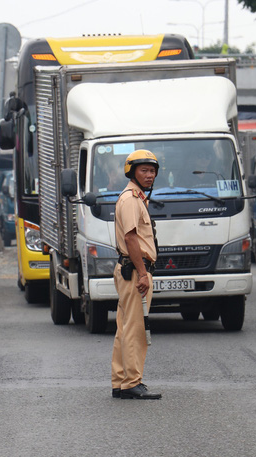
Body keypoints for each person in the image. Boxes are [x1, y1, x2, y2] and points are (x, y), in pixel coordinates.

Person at [111, 149, 161, 400]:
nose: (149, 175)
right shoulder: (131, 199)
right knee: (135, 328)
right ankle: (132, 382)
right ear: (132, 172)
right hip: (135, 272)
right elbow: (131, 237)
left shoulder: (136, 197)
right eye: (144, 170)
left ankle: (121, 381)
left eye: (152, 171)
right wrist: (143, 273)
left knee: (125, 327)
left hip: (130, 270)